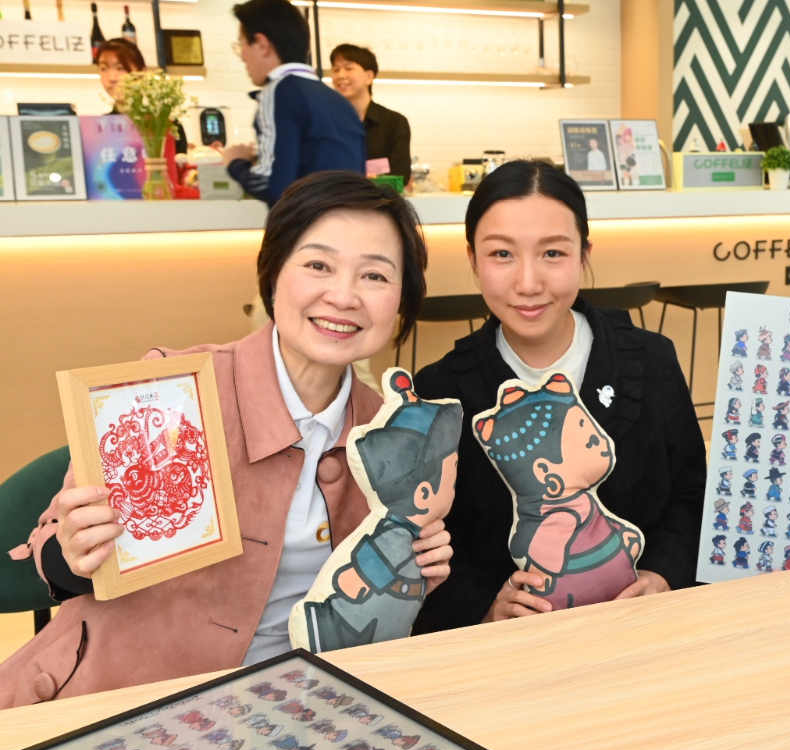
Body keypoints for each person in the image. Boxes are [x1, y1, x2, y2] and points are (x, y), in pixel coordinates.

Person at [0, 173, 450, 707]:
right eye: (318, 265)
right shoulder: (173, 392)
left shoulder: (394, 432)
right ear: (273, 274)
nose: (343, 296)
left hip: (298, 706)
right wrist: (74, 549)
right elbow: (52, 547)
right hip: (125, 702)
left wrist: (413, 569)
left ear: (401, 300)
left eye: (374, 275)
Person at [413, 160, 705, 630]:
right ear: (472, 258)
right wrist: (486, 611)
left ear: (584, 253)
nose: (528, 283)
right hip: (514, 649)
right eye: (502, 254)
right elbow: (434, 540)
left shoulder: (651, 360)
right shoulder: (440, 391)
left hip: (647, 628)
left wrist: (663, 575)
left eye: (553, 253)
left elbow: (691, 493)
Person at [223, 0, 365, 206]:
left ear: (262, 44)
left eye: (242, 43)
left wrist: (235, 162)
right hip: (347, 221)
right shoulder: (338, 101)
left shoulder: (277, 91)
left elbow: (272, 185)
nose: (242, 56)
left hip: (305, 224)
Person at [329, 44, 412, 182]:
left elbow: (401, 175)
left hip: (379, 196)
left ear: (369, 76)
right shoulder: (327, 121)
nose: (340, 75)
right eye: (336, 69)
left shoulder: (394, 122)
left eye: (348, 68)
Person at [97, 38, 188, 155]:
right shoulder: (99, 128)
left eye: (120, 68)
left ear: (142, 73)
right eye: (103, 68)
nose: (111, 78)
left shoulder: (164, 124)